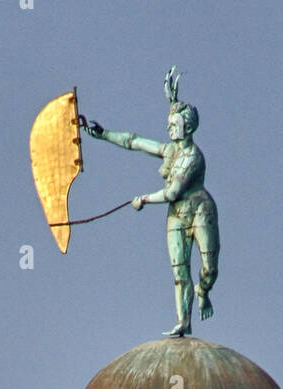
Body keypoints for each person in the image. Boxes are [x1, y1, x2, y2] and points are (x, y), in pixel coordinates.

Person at [87, 67, 219, 337]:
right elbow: (136, 143)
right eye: (169, 123)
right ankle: (184, 321)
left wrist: (144, 199)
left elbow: (172, 193)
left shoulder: (193, 158)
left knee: (209, 268)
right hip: (177, 217)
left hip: (200, 213)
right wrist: (105, 134)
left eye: (174, 124)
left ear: (188, 127)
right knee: (180, 273)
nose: (169, 127)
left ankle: (203, 291)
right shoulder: (170, 150)